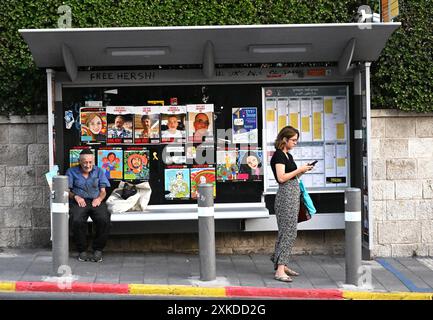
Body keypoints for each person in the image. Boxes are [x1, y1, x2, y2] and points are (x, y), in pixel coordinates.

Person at [270, 126, 313, 282]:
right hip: (286, 198)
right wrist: (299, 169)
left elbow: (291, 176)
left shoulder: (288, 156)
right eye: (293, 140)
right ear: (284, 140)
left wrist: (303, 170)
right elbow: (281, 178)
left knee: (287, 231)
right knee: (288, 232)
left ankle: (281, 262)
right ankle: (280, 270)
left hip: (293, 196)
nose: (295, 143)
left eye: (296, 140)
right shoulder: (279, 156)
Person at [66, 149, 111, 262]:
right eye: (85, 162)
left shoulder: (99, 171)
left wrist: (99, 198)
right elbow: (67, 190)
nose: (88, 165)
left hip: (96, 200)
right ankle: (82, 250)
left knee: (104, 219)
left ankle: (98, 249)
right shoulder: (71, 171)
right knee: (76, 220)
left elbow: (103, 191)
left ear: (93, 161)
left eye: (90, 162)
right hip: (79, 200)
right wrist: (75, 196)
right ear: (79, 161)